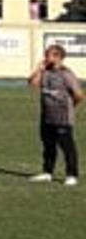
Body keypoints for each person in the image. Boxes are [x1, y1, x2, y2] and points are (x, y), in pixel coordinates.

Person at [28, 44, 83, 186]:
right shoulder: (45, 72)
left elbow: (79, 94)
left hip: (62, 118)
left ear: (58, 57)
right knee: (48, 146)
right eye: (46, 54)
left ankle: (72, 175)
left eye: (49, 55)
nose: (46, 57)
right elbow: (32, 84)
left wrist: (70, 107)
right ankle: (47, 172)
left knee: (67, 147)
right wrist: (38, 70)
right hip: (47, 116)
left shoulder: (66, 74)